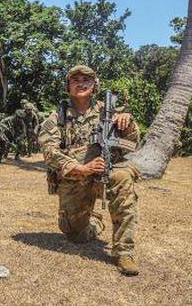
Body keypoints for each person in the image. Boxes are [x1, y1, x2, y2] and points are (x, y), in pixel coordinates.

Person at [38, 65, 141, 275]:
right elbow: (49, 152)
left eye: (87, 79)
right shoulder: (57, 117)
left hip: (107, 171)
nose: (81, 83)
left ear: (95, 86)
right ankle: (94, 221)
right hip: (76, 177)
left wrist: (128, 124)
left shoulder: (110, 112)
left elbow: (132, 144)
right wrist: (82, 168)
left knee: (122, 177)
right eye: (75, 79)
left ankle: (124, 251)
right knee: (75, 235)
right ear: (68, 86)